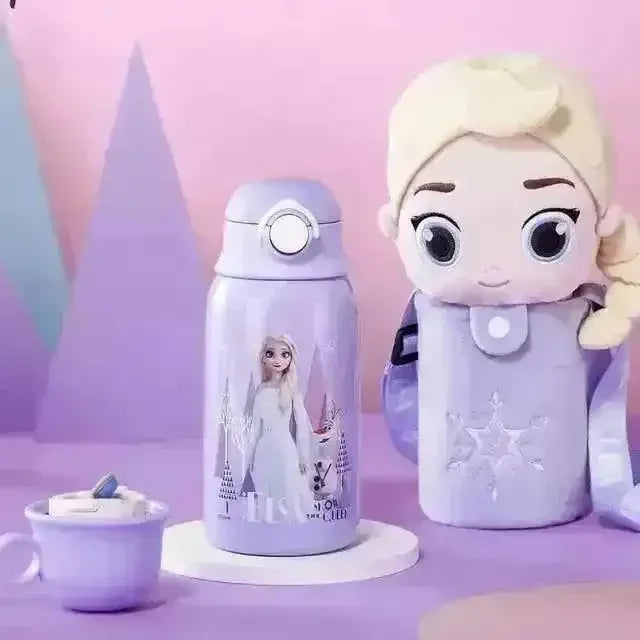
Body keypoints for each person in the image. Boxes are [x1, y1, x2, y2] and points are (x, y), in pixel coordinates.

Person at [380, 54, 640, 529]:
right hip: (451, 496)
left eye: (549, 235)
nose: (495, 271)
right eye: (440, 238)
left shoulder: (574, 310)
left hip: (544, 498)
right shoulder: (433, 315)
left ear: (600, 223)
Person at [248, 335, 314, 521]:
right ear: (264, 358)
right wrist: (250, 454)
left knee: (288, 485)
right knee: (267, 485)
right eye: (271, 354)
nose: (278, 360)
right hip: (264, 448)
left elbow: (302, 427)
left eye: (284, 354)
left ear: (291, 358)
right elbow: (255, 427)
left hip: (285, 447)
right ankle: (268, 520)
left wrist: (303, 456)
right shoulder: (261, 390)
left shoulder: (292, 391)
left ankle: (290, 521)